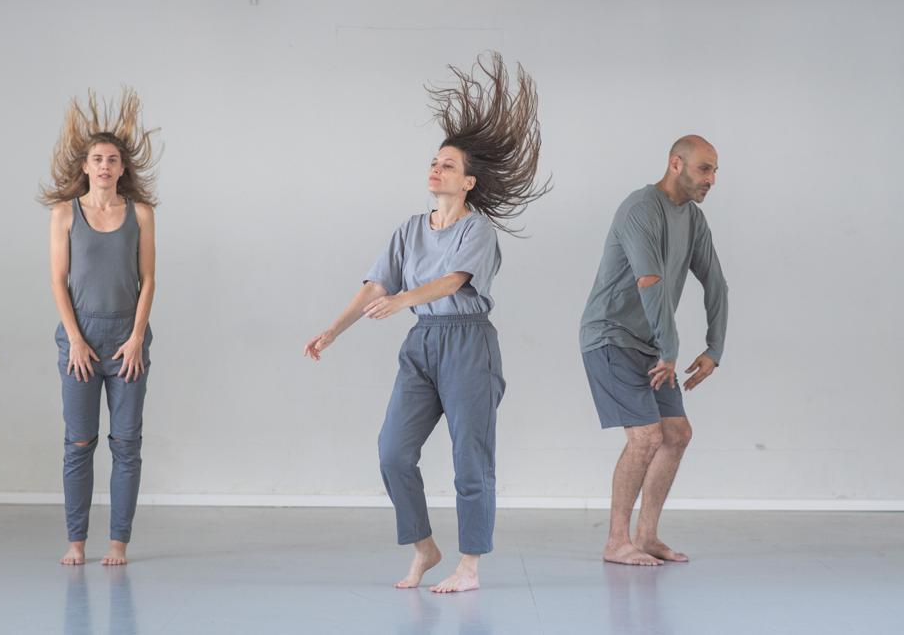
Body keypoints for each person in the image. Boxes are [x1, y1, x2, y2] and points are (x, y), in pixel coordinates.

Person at [305, 53, 549, 593]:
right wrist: (333, 330)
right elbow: (375, 285)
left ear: (468, 182)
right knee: (393, 452)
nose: (436, 169)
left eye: (448, 166)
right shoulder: (410, 229)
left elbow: (454, 281)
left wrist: (403, 300)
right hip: (422, 345)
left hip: (468, 345)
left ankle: (470, 566)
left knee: (470, 460)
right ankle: (424, 548)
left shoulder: (478, 231)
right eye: (434, 162)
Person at [579, 134, 728, 566]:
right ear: (675, 164)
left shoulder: (693, 219)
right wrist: (671, 349)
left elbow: (716, 282)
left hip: (652, 344)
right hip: (610, 336)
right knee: (645, 437)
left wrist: (715, 348)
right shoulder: (640, 209)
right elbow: (650, 282)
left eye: (715, 171)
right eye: (705, 169)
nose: (712, 179)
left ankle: (646, 536)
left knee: (677, 434)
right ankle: (616, 541)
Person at [42, 89, 159, 566]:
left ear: (122, 168)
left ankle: (117, 544)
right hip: (81, 339)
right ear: (86, 166)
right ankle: (76, 542)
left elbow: (148, 279)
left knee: (127, 443)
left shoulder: (141, 214)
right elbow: (58, 280)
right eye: (97, 159)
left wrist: (136, 338)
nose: (105, 166)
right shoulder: (65, 214)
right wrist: (74, 338)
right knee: (79, 442)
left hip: (127, 339)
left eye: (112, 159)